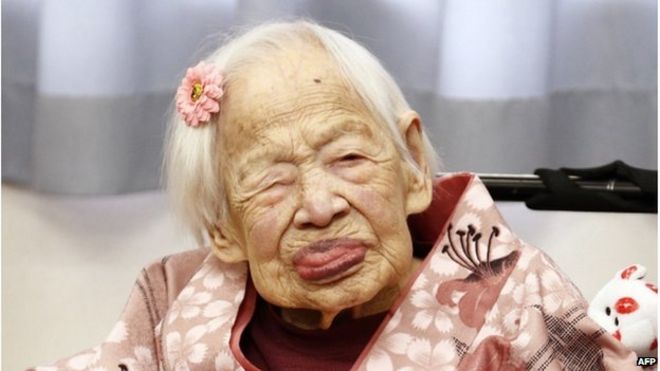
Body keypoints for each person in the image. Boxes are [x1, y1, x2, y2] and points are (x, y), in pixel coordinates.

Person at [33, 20, 640, 371]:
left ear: (411, 167)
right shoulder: (170, 302)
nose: (320, 207)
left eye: (348, 158)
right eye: (270, 180)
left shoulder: (520, 304)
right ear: (221, 227)